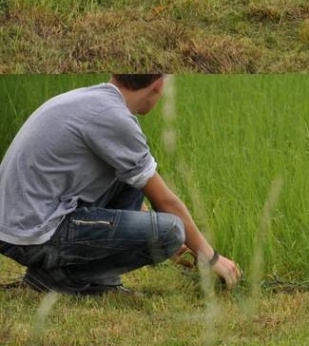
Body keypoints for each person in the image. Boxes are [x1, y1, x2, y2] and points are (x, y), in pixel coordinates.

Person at [0, 75, 240, 296]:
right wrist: (209, 256)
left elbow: (138, 184)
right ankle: (60, 278)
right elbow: (165, 201)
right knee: (170, 232)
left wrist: (170, 241)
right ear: (159, 84)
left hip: (19, 224)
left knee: (135, 177)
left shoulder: (89, 98)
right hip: (33, 237)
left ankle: (101, 280)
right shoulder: (113, 117)